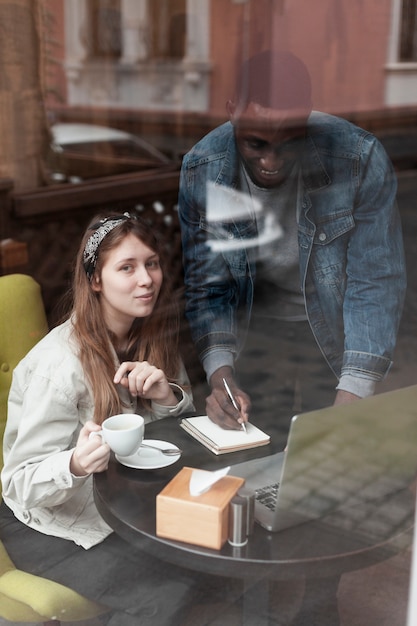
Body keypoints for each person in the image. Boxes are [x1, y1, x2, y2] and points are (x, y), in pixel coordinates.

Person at [178, 50, 406, 433]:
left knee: (333, 452)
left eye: (289, 142)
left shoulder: (359, 158)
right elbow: (208, 286)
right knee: (255, 452)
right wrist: (220, 374)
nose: (272, 159)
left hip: (338, 330)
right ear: (232, 110)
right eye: (256, 144)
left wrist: (352, 395)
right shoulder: (202, 168)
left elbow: (376, 281)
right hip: (255, 332)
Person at [0, 211, 198, 625]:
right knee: (164, 595)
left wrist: (167, 396)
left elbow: (181, 437)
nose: (146, 279)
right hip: (52, 521)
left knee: (207, 567)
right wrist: (73, 463)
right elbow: (18, 483)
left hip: (129, 505)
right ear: (95, 280)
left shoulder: (152, 336)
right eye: (126, 267)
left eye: (152, 263)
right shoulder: (59, 365)